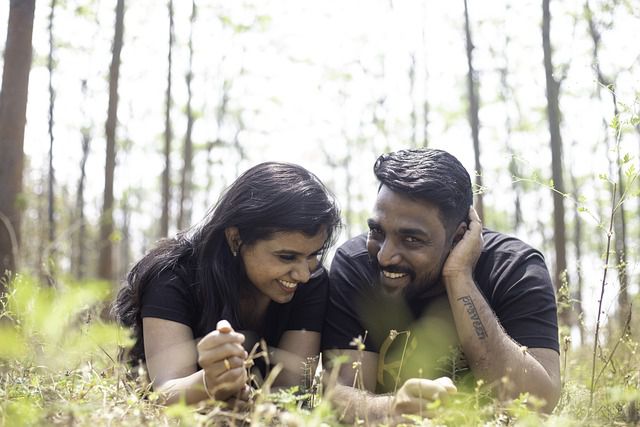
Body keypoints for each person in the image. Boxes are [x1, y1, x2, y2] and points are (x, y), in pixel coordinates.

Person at [322, 148, 560, 422]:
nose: (385, 256)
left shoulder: (513, 268)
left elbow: (537, 402)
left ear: (459, 237)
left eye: (411, 239)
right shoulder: (355, 266)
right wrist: (392, 409)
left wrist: (459, 276)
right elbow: (340, 394)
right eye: (377, 231)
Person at [113, 162, 341, 405]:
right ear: (235, 239)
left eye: (313, 255)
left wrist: (252, 405)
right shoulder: (172, 275)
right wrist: (210, 383)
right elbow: (164, 392)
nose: (303, 274)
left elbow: (292, 394)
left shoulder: (312, 285)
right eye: (287, 257)